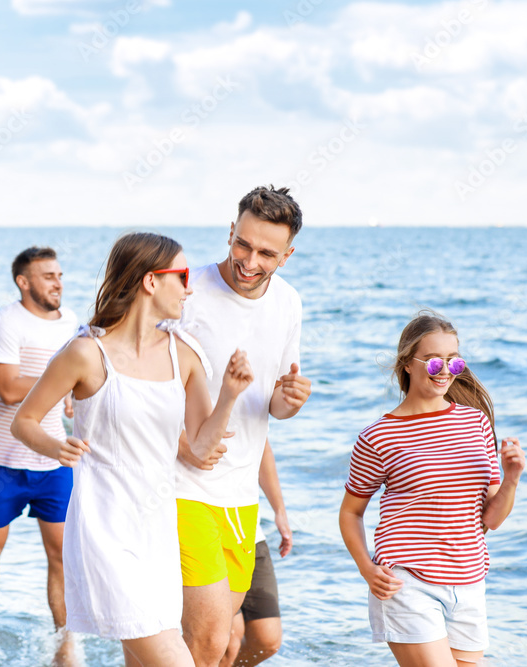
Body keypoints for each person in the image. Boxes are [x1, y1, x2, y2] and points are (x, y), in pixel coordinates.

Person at [10, 232, 254, 667]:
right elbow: (23, 422)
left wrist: (231, 396)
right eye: (181, 276)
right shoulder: (86, 353)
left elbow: (199, 447)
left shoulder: (186, 355)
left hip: (158, 530)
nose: (190, 287)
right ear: (149, 281)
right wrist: (56, 446)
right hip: (105, 529)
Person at [174, 185, 312, 667]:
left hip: (239, 498)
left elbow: (273, 404)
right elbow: (138, 380)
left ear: (287, 255)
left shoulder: (289, 304)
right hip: (180, 486)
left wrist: (288, 401)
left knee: (217, 644)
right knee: (210, 638)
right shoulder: (188, 292)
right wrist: (182, 443)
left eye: (266, 253)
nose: (249, 261)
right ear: (230, 231)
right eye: (242, 244)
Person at [339, 313, 526, 667]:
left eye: (454, 360)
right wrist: (366, 568)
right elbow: (350, 512)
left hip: (469, 580)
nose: (445, 370)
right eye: (434, 360)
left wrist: (512, 477)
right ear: (408, 363)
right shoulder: (378, 436)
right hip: (407, 578)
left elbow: (492, 519)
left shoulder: (476, 423)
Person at [0, 246, 80, 667]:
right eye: (48, 276)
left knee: (61, 555)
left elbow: (80, 378)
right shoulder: (5, 323)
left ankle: (65, 642)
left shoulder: (70, 322)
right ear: (24, 281)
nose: (58, 283)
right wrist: (64, 381)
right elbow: (10, 389)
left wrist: (71, 397)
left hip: (52, 459)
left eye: (60, 275)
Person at [219, 440, 292, 667]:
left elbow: (261, 446)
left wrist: (279, 510)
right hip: (204, 529)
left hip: (249, 531)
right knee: (227, 641)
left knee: (267, 640)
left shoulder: (251, 406)